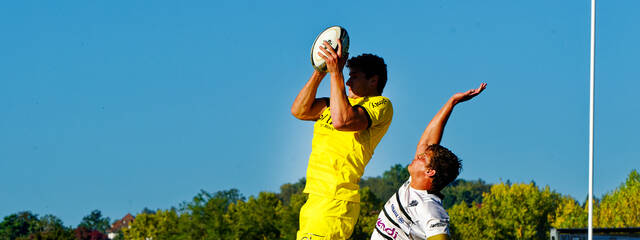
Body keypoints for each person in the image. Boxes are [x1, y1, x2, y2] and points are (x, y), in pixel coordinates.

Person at [291, 39, 393, 239]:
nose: (347, 82)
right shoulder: (335, 103)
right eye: (347, 76)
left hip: (336, 200)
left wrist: (335, 72)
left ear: (373, 81)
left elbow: (342, 121)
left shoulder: (381, 105)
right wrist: (321, 70)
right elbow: (299, 111)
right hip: (315, 199)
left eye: (354, 77)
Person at [371, 83, 487, 240]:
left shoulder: (429, 207)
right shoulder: (413, 184)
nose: (418, 155)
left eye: (423, 157)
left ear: (430, 171)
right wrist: (452, 102)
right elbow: (426, 143)